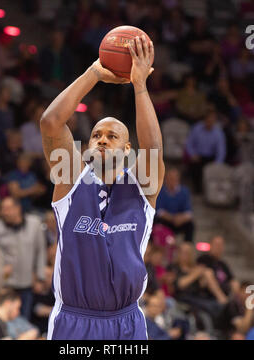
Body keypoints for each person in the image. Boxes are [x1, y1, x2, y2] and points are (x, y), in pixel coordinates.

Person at [40, 35, 165, 340]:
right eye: (96, 135)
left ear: (127, 149)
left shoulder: (141, 187)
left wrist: (139, 86)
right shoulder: (71, 181)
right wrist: (94, 73)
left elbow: (154, 147)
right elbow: (51, 122)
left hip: (127, 320)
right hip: (74, 319)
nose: (102, 140)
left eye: (112, 136)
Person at [0, 197, 46, 319]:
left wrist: (40, 277)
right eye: (2, 209)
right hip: (6, 285)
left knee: (23, 320)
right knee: (5, 320)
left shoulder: (34, 223)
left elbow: (40, 251)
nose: (4, 212)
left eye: (7, 209)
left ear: (18, 208)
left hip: (26, 283)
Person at [186, 109, 226, 192]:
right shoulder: (196, 128)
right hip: (198, 156)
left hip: (211, 157)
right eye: (209, 119)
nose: (210, 121)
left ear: (215, 121)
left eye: (213, 119)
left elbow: (221, 150)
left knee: (215, 168)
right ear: (205, 119)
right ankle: (198, 190)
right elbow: (189, 143)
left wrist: (218, 163)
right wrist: (192, 154)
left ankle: (210, 191)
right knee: (194, 166)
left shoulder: (218, 133)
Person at [155, 168, 194, 242]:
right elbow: (159, 211)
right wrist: (172, 218)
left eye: (174, 179)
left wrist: (180, 218)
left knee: (190, 225)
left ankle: (187, 246)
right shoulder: (160, 191)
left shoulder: (184, 192)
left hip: (179, 221)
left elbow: (188, 212)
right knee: (156, 221)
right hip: (166, 220)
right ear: (165, 179)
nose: (172, 181)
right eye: (170, 178)